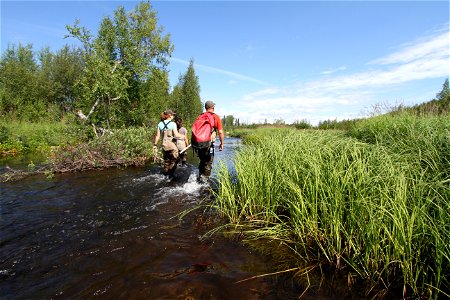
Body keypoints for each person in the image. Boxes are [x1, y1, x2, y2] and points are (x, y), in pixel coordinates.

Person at [194, 100, 225, 183]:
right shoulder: (216, 117)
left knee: (202, 161)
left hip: (199, 143)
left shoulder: (200, 116)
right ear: (213, 107)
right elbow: (221, 132)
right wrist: (222, 143)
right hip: (209, 144)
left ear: (205, 107)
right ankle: (204, 183)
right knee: (208, 163)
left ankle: (199, 178)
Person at [153, 109, 185, 180]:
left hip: (164, 146)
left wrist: (155, 145)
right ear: (169, 115)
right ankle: (171, 175)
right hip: (171, 146)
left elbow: (157, 136)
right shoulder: (173, 124)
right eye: (173, 115)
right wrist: (183, 136)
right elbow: (176, 135)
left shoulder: (160, 124)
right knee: (176, 160)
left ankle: (165, 175)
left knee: (166, 161)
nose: (173, 116)